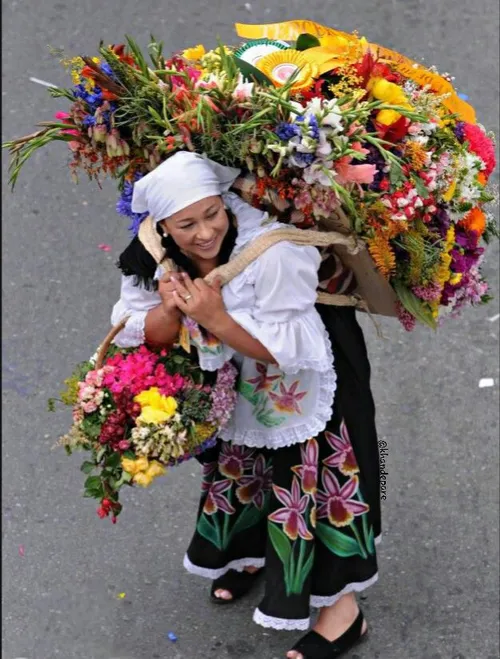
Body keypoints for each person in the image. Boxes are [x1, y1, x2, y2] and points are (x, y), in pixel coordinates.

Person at [112, 151, 381, 659]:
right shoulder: (152, 255)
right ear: (163, 225)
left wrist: (216, 318)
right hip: (236, 390)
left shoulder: (273, 250)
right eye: (187, 224)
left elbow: (295, 349)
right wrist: (170, 310)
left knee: (314, 489)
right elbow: (139, 330)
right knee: (247, 473)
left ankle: (344, 615)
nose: (204, 233)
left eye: (212, 214)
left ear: (225, 202)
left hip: (302, 384)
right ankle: (251, 553)